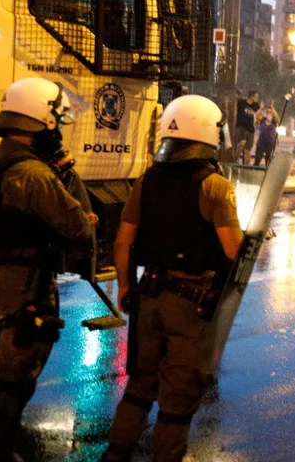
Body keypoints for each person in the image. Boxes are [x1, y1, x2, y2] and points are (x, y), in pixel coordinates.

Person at [0, 78, 93, 462]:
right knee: (12, 384)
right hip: (24, 284)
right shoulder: (33, 174)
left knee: (4, 371)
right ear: (42, 120)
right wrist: (66, 171)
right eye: (57, 120)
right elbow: (78, 225)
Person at [103, 95, 243, 462]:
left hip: (148, 295)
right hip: (189, 303)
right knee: (176, 403)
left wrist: (124, 287)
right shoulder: (215, 185)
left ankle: (115, 455)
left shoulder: (147, 180)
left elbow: (123, 241)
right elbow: (232, 250)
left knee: (139, 387)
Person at [234, 90, 260, 164]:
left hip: (250, 129)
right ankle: (235, 160)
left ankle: (246, 164)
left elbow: (258, 115)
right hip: (241, 127)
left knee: (248, 149)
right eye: (256, 96)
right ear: (251, 96)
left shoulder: (256, 105)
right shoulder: (241, 103)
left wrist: (257, 120)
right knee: (241, 143)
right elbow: (233, 105)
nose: (257, 98)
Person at [253, 98, 280, 167]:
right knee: (257, 160)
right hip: (261, 143)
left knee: (268, 161)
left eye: (270, 112)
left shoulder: (274, 122)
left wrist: (272, 107)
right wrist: (261, 108)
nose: (269, 114)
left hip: (270, 144)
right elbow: (256, 115)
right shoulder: (263, 120)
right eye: (268, 112)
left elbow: (277, 118)